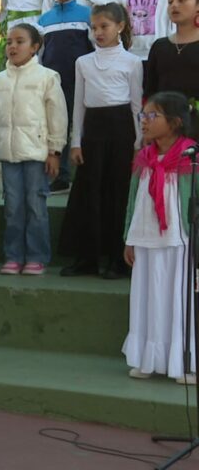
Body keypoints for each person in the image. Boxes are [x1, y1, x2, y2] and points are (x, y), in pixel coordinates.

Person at [59, 3, 141, 280]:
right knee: (88, 194)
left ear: (120, 26)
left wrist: (138, 144)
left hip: (121, 132)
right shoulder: (83, 62)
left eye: (104, 26)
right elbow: (79, 105)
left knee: (117, 194)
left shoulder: (132, 62)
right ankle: (87, 258)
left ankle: (117, 259)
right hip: (93, 132)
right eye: (94, 27)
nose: (98, 32)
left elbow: (136, 106)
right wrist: (76, 142)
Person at [122, 92, 196, 385]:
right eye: (143, 115)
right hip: (145, 238)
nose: (145, 121)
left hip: (178, 241)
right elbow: (133, 200)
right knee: (147, 299)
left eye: (153, 116)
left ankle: (183, 362)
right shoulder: (143, 158)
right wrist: (128, 238)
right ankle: (149, 358)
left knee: (177, 300)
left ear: (175, 122)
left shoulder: (191, 156)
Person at [0, 24, 67, 276]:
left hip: (36, 154)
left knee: (35, 205)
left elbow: (57, 116)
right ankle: (13, 256)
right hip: (8, 155)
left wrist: (54, 151)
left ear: (35, 47)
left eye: (20, 41)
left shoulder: (47, 77)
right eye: (9, 42)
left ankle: (36, 256)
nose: (12, 46)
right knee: (13, 207)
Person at [39, 0, 94, 194]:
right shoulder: (45, 19)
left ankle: (84, 174)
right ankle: (60, 176)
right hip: (53, 82)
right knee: (57, 125)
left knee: (81, 125)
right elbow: (40, 53)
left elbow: (94, 46)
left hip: (80, 81)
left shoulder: (87, 15)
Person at [145, 0, 199, 138]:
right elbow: (150, 91)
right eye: (170, 2)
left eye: (182, 0)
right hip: (165, 130)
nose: (174, 5)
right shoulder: (159, 46)